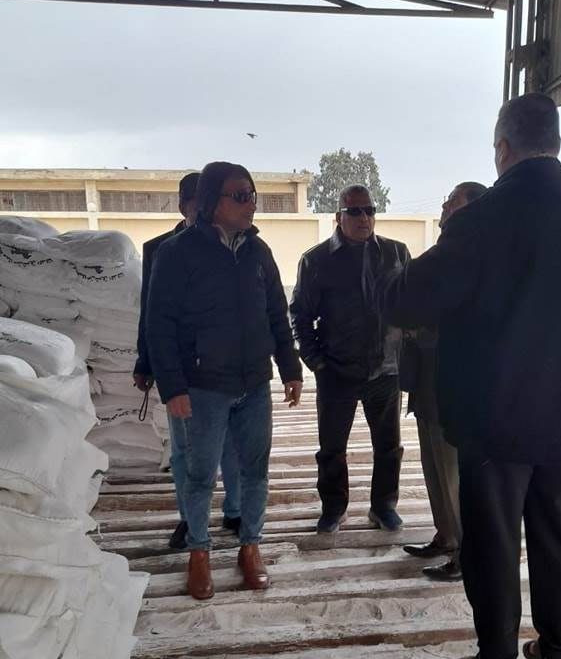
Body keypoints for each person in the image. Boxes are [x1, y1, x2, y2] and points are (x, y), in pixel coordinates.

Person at [384, 93, 561, 659]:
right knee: (558, 534)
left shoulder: (480, 221)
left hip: (495, 419)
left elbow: (405, 301)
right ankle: (556, 653)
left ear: (502, 147)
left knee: (494, 543)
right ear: (556, 142)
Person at [146, 161, 303, 600]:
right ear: (211, 201)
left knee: (255, 472)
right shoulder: (176, 254)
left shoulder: (259, 252)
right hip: (202, 387)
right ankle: (199, 552)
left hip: (254, 384)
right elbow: (159, 325)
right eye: (241, 196)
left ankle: (250, 547)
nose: (251, 204)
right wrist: (173, 387)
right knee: (199, 475)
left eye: (253, 195)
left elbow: (276, 313)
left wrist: (290, 368)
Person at [290, 184, 410, 533]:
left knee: (389, 447)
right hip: (336, 370)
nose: (363, 218)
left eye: (369, 210)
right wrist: (316, 362)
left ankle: (383, 506)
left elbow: (412, 305)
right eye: (354, 211)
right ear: (338, 216)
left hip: (385, 370)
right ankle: (333, 508)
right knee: (331, 448)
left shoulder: (396, 254)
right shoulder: (316, 260)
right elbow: (300, 316)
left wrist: (405, 355)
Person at [132, 171, 242, 551]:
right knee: (183, 450)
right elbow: (151, 314)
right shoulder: (160, 249)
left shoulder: (235, 244)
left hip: (227, 368)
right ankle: (189, 518)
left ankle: (235, 510)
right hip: (180, 368)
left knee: (230, 443)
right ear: (184, 206)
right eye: (200, 204)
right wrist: (146, 362)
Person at [403, 181, 487, 580]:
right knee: (434, 466)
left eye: (452, 201)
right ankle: (447, 536)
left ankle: (468, 555)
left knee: (453, 472)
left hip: (453, 383)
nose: (444, 207)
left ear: (472, 210)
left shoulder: (474, 255)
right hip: (426, 379)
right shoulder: (446, 251)